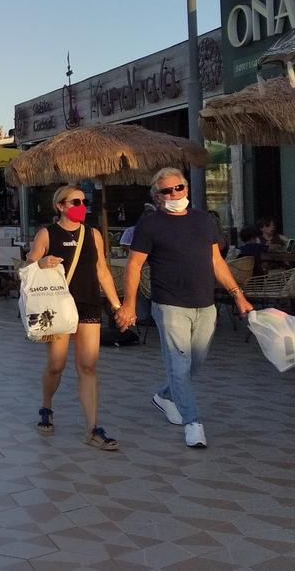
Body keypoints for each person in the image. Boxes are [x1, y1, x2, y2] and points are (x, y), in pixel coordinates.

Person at [115, 168, 253, 449]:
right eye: (166, 191)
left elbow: (216, 261)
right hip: (169, 304)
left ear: (186, 189)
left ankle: (165, 396)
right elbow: (134, 266)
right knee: (179, 363)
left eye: (178, 188)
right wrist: (129, 303)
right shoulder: (150, 224)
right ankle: (193, 423)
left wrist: (238, 295)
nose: (174, 194)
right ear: (157, 195)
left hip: (205, 304)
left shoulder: (204, 221)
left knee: (195, 361)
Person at [26, 185, 122, 451]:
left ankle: (92, 428)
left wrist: (116, 304)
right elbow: (26, 266)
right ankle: (46, 405)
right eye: (75, 201)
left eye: (83, 201)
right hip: (56, 306)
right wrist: (40, 263)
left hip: (89, 303)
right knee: (57, 364)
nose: (81, 205)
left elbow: (102, 269)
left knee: (88, 365)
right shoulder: (48, 233)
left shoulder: (92, 234)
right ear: (60, 206)